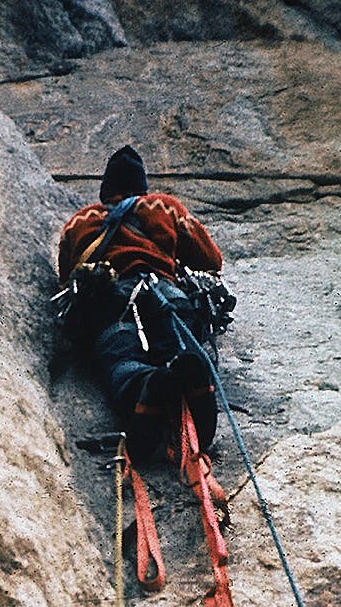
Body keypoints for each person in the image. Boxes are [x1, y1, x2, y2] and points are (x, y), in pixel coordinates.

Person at [53, 145, 230, 460]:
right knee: (179, 344)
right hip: (165, 293)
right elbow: (211, 259)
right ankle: (191, 378)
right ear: (142, 186)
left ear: (106, 191)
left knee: (121, 355)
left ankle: (146, 386)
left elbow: (67, 277)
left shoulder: (80, 221)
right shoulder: (164, 207)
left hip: (111, 300)